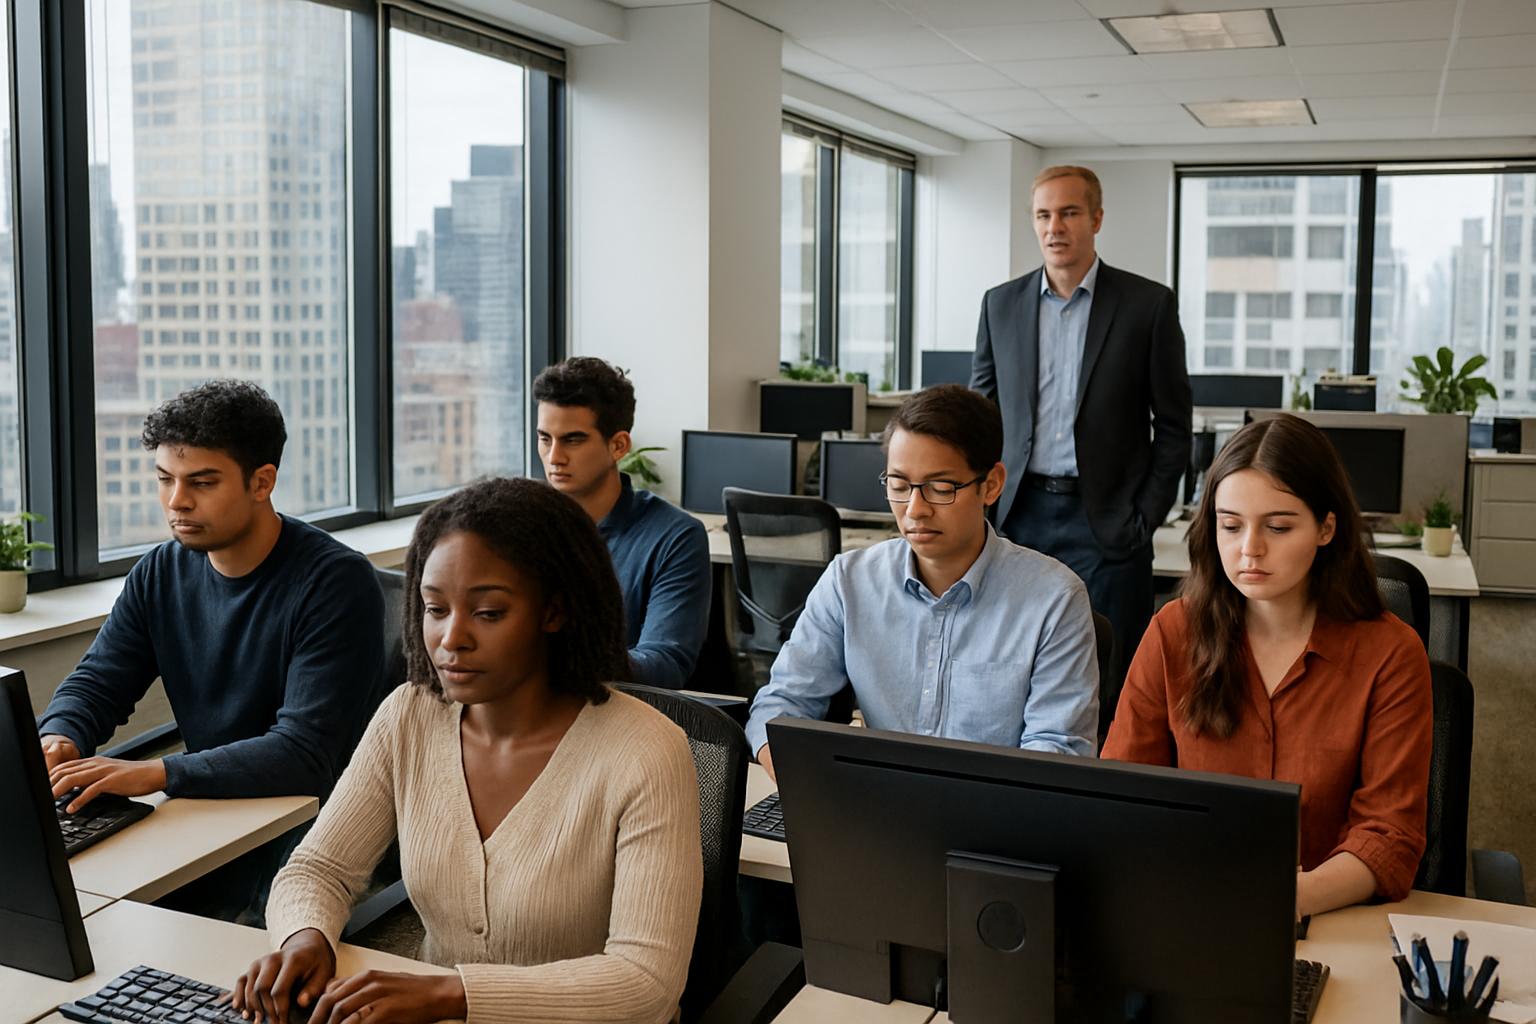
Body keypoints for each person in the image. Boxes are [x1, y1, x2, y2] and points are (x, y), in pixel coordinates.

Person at [232, 477, 702, 1024]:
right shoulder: (409, 715)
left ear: (554, 612)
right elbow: (318, 869)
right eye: (435, 608)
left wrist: (454, 994)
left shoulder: (646, 750)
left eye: (488, 613)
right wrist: (304, 937)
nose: (451, 638)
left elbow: (646, 984)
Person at [38, 380, 386, 921]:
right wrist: (60, 735)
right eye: (165, 479)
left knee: (193, 935)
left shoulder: (336, 583)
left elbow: (305, 753)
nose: (177, 501)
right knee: (71, 902)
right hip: (205, 806)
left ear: (261, 482)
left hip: (309, 820)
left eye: (201, 482)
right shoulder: (160, 571)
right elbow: (99, 681)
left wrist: (158, 773)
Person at [1102, 414, 1432, 916]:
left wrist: (1281, 899)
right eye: (1230, 525)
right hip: (1186, 908)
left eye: (1278, 527)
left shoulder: (1390, 654)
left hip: (1329, 917)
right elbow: (1122, 797)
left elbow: (1389, 836)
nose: (1249, 549)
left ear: (1326, 528)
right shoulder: (1173, 632)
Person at [747, 385, 1100, 779]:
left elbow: (1058, 753)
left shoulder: (1054, 599)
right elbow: (779, 707)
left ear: (991, 484)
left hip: (996, 812)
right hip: (875, 805)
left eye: (941, 488)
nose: (915, 510)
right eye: (899, 486)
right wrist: (807, 784)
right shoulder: (848, 582)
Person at [971, 164, 1191, 716]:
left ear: (1096, 218)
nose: (1055, 227)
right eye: (1043, 215)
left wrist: (1143, 519)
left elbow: (1174, 427)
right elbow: (978, 418)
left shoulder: (1147, 305)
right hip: (1018, 518)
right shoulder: (1000, 304)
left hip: (1108, 525)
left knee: (1112, 686)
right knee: (1011, 674)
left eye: (1069, 213)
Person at [533, 357, 712, 688]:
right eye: (545, 438)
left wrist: (561, 658)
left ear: (618, 446)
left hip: (613, 712)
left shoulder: (675, 536)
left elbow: (667, 664)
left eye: (573, 440)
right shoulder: (521, 526)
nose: (554, 457)